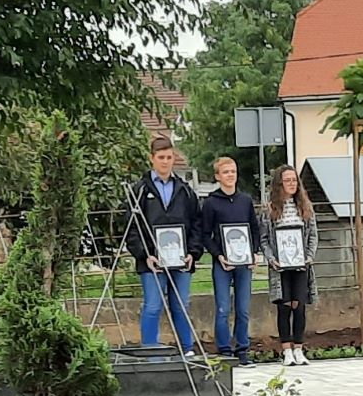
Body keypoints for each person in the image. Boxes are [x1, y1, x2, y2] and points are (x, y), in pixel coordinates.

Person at [125, 136, 202, 358]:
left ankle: (187, 349)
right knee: (153, 305)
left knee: (181, 305)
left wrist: (193, 253)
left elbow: (197, 223)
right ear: (152, 159)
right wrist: (144, 254)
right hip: (152, 262)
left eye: (169, 157)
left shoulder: (185, 191)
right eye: (161, 158)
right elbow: (132, 227)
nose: (165, 162)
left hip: (181, 260)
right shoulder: (139, 190)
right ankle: (151, 352)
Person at [199, 157, 261, 366]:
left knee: (243, 308)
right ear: (218, 176)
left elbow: (254, 228)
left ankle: (242, 350)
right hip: (223, 263)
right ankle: (224, 350)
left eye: (233, 171)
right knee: (223, 308)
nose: (230, 175)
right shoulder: (210, 203)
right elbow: (205, 234)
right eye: (225, 172)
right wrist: (218, 256)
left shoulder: (245, 200)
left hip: (244, 262)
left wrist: (254, 252)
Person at [259, 164, 318, 366]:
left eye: (294, 180)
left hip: (301, 265)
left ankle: (299, 348)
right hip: (280, 266)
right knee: (284, 306)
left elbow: (313, 235)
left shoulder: (305, 207)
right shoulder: (269, 209)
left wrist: (309, 256)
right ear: (279, 184)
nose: (291, 184)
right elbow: (264, 239)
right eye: (287, 180)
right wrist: (270, 258)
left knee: (298, 306)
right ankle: (286, 350)